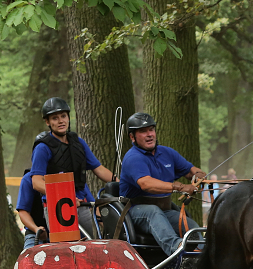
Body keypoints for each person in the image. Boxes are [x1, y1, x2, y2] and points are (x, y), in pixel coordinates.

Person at [119, 112, 206, 255]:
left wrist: (198, 175)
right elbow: (146, 184)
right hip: (135, 211)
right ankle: (177, 250)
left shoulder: (167, 153)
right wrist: (179, 186)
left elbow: (190, 170)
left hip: (164, 210)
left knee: (191, 225)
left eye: (151, 129)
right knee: (153, 212)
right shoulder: (132, 158)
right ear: (132, 137)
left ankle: (201, 254)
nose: (149, 134)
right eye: (143, 131)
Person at [30, 97, 113, 237]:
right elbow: (36, 182)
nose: (61, 121)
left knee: (96, 242)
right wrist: (65, 197)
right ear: (48, 122)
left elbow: (99, 169)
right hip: (58, 208)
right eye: (55, 118)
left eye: (63, 116)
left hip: (83, 205)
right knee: (68, 248)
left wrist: (122, 183)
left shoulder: (78, 143)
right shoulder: (43, 148)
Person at [15, 170, 47, 249]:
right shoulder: (28, 179)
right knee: (29, 258)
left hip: (64, 234)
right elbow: (23, 212)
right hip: (35, 234)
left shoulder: (69, 176)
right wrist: (36, 229)